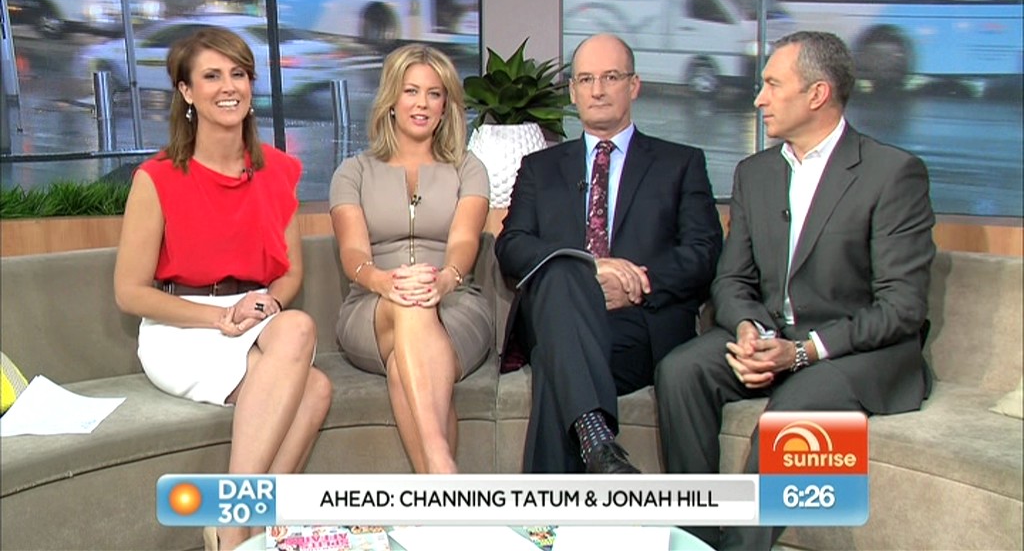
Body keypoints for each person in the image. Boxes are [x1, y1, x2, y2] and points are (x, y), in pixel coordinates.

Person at [655, 30, 936, 550]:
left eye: (772, 84)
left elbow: (902, 307)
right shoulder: (755, 173)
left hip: (858, 351)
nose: (758, 98)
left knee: (795, 406)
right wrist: (749, 329)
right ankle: (694, 536)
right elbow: (731, 279)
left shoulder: (892, 173)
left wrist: (803, 352)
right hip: (775, 336)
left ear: (817, 94)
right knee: (681, 370)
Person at [113, 27, 333, 551]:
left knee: (299, 331)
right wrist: (218, 317)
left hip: (254, 315)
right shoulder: (157, 178)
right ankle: (244, 529)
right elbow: (130, 292)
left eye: (238, 74)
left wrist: (267, 303)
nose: (228, 86)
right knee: (314, 388)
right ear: (186, 91)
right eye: (211, 76)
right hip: (181, 325)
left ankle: (239, 524)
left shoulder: (278, 170)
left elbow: (290, 274)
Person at [495, 33, 723, 474]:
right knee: (563, 273)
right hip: (560, 316)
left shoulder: (680, 163)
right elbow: (512, 246)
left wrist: (637, 283)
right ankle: (598, 444)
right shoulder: (540, 167)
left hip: (638, 325)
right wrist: (591, 269)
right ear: (573, 91)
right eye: (586, 79)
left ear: (634, 85)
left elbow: (704, 251)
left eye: (610, 77)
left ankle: (555, 500)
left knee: (555, 363)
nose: (597, 90)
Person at [329, 43, 493, 474]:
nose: (422, 103)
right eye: (411, 91)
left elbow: (464, 240)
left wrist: (445, 279)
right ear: (391, 100)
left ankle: (436, 479)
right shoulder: (353, 171)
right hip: (372, 306)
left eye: (434, 94)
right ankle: (443, 467)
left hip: (455, 302)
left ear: (446, 106)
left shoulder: (469, 168)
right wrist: (385, 282)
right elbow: (353, 252)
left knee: (405, 367)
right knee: (408, 302)